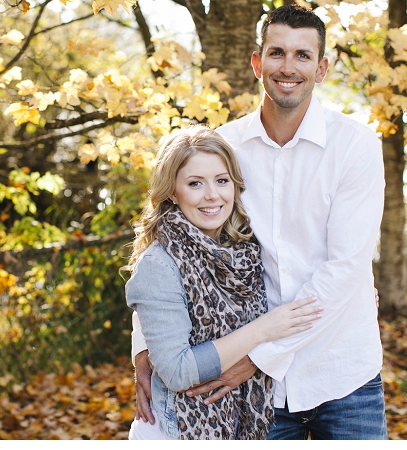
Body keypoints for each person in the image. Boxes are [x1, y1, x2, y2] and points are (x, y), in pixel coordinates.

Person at [132, 3, 388, 440]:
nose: (288, 67)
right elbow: (172, 240)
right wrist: (145, 347)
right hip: (252, 389)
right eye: (277, 53)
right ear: (257, 62)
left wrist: (258, 357)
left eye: (303, 55)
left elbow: (345, 268)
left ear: (321, 68)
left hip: (341, 370)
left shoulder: (356, 147)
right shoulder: (223, 147)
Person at [124, 125, 323, 440]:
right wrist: (262, 330)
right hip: (177, 431)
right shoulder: (159, 265)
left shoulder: (245, 251)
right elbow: (177, 372)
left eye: (221, 180)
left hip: (239, 425)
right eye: (194, 183)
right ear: (172, 192)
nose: (212, 195)